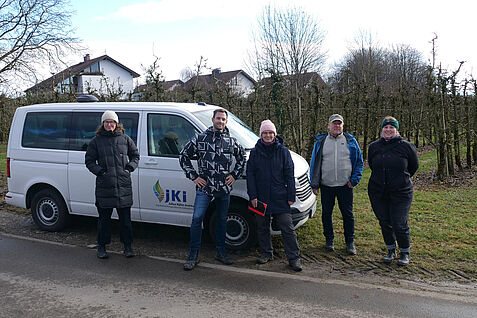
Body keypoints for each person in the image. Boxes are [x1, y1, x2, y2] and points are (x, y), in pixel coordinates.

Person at [179, 108, 245, 270]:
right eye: (218, 118)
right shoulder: (201, 139)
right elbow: (183, 156)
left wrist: (234, 175)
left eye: (223, 119)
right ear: (213, 119)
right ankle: (193, 255)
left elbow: (242, 157)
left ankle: (221, 252)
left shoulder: (231, 141)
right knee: (196, 219)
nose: (220, 121)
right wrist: (194, 176)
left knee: (222, 220)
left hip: (223, 188)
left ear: (226, 122)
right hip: (205, 187)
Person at [246, 120, 302, 271]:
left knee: (287, 226)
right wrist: (252, 195)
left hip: (280, 197)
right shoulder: (255, 152)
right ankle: (266, 253)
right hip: (260, 198)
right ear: (261, 134)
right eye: (265, 133)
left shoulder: (283, 151)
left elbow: (289, 175)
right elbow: (250, 175)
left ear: (275, 134)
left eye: (270, 133)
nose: (268, 135)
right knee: (262, 226)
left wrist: (291, 196)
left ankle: (294, 258)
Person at [85, 110, 140, 259]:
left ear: (117, 124)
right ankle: (101, 247)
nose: (109, 124)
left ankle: (128, 247)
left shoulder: (125, 139)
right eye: (106, 122)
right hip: (105, 186)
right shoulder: (96, 141)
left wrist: (129, 168)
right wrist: (100, 172)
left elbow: (135, 155)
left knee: (126, 222)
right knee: (104, 221)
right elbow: (89, 161)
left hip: (123, 186)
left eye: (112, 122)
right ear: (103, 124)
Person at [368, 116, 419, 266]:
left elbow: (413, 167)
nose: (388, 130)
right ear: (382, 129)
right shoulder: (374, 147)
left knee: (399, 223)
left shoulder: (407, 146)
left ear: (396, 129)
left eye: (392, 127)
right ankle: (391, 250)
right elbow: (372, 164)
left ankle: (405, 251)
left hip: (401, 192)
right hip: (378, 191)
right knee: (384, 222)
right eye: (386, 127)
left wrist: (398, 179)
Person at [309, 114, 363, 255]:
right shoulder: (321, 142)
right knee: (326, 214)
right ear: (328, 125)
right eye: (334, 123)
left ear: (343, 126)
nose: (337, 126)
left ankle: (350, 242)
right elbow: (314, 164)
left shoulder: (350, 141)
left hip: (345, 186)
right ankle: (329, 240)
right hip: (326, 186)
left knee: (348, 215)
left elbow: (358, 162)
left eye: (339, 124)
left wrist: (355, 179)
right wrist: (314, 184)